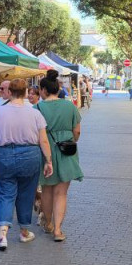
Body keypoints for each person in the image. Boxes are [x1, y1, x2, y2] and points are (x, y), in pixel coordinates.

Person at [0, 78, 53, 251]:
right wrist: (48, 160)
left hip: (2, 155)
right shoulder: (35, 113)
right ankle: (23, 232)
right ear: (25, 92)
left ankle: (3, 234)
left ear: (10, 92)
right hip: (30, 155)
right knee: (26, 194)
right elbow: (43, 139)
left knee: (6, 194)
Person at [35, 70, 83, 242]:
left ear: (43, 90)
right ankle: (58, 229)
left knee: (47, 189)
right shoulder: (70, 106)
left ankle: (48, 223)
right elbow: (77, 131)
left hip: (45, 151)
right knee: (61, 193)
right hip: (66, 150)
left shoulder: (37, 108)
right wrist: (70, 140)